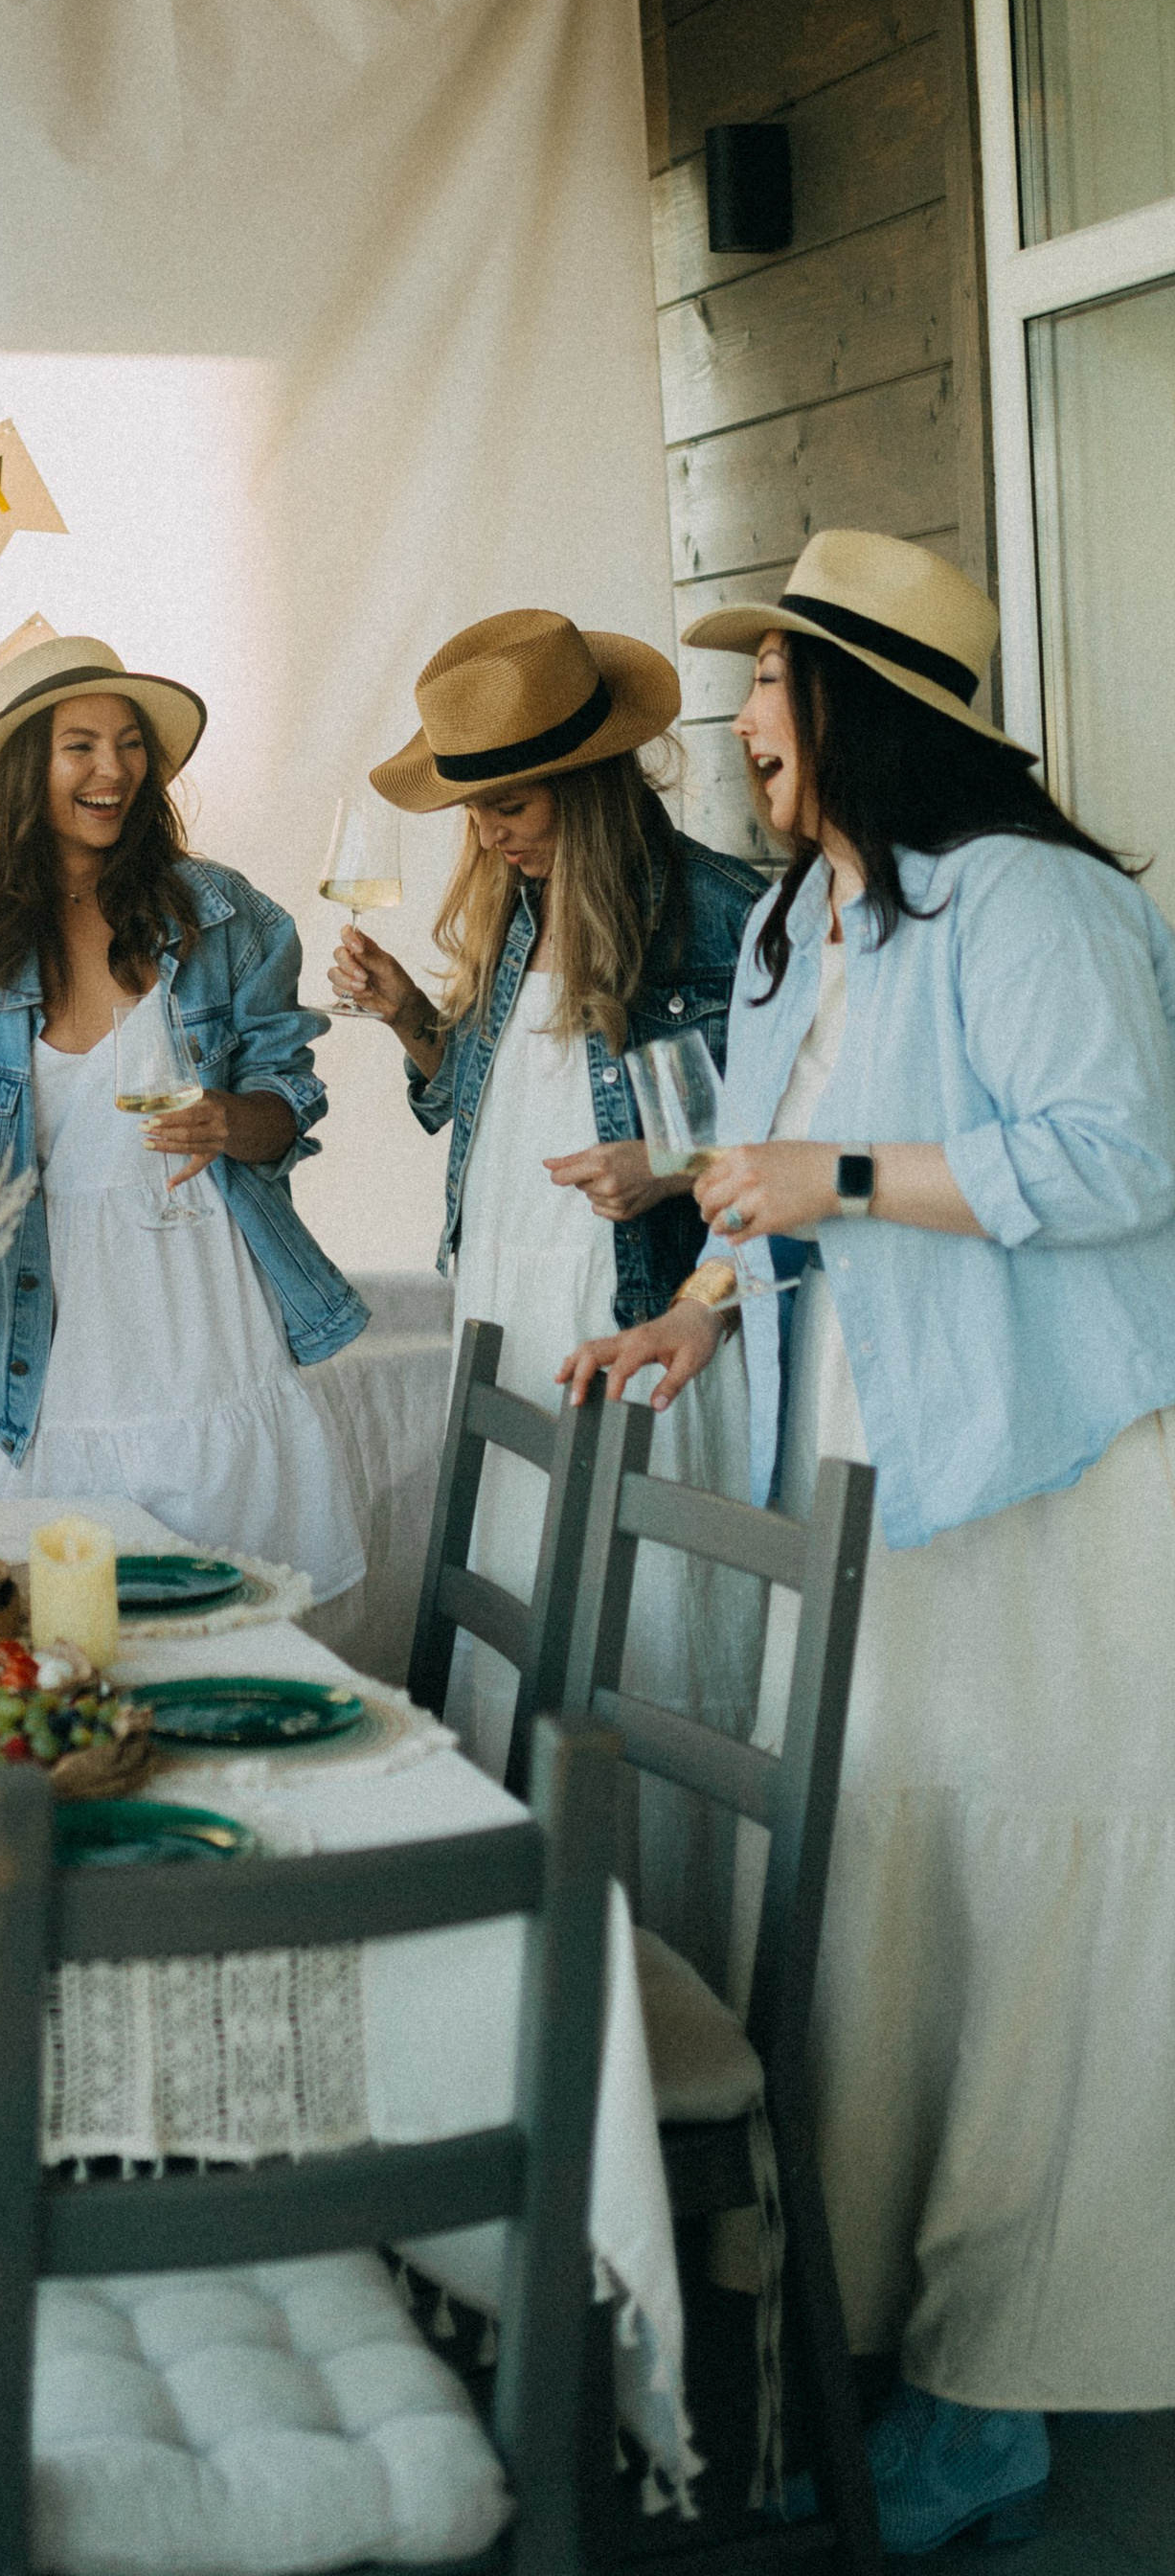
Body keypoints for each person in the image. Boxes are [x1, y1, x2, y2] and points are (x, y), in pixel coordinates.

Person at [566, 530, 1175, 2549]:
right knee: (889, 1899)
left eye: (765, 687)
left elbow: (1114, 1157)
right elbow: (768, 1189)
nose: (741, 726)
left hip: (1051, 1474)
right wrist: (690, 1305)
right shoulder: (792, 929)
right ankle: (874, 2312)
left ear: (854, 707)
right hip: (871, 1456)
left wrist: (818, 1168)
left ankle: (1005, 2371)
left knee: (1027, 1928)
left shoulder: (1032, 904)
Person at [333, 607, 765, 1970]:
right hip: (516, 1320)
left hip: (640, 1322)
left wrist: (670, 1168)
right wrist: (414, 1016)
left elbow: (781, 1146)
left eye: (508, 804)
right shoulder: (518, 919)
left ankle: (659, 1961)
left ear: (581, 779)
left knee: (643, 1644)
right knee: (521, 1626)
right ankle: (528, 1961)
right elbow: (482, 1104)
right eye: (475, 809)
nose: (491, 833)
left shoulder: (719, 915)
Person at [0, 632, 372, 1637]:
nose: (115, 770)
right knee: (80, 1632)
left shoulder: (226, 916)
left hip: (208, 1314)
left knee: (244, 1626)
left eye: (130, 744)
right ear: (25, 771)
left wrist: (244, 1120)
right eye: (80, 746)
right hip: (61, 1338)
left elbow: (289, 1089)